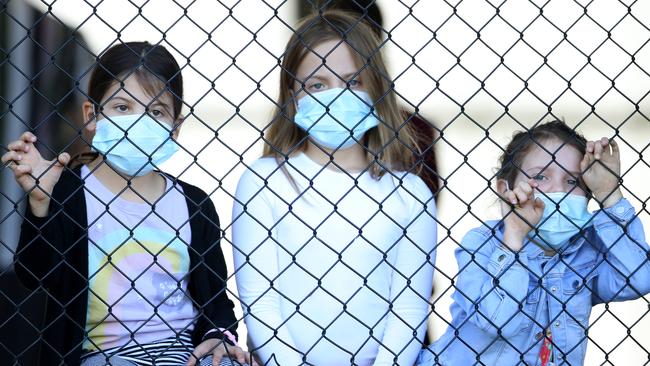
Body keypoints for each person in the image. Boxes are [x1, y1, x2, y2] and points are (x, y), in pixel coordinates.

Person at [4, 41, 255, 366]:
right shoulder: (67, 192)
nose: (138, 122)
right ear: (92, 116)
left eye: (156, 112)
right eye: (123, 107)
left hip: (184, 353)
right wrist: (40, 202)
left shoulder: (194, 205)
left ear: (175, 127)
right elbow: (34, 277)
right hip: (103, 356)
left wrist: (219, 335)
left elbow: (216, 298)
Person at [231, 10, 437, 366]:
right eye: (318, 85)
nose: (336, 96)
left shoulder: (410, 194)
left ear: (376, 89)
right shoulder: (264, 182)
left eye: (353, 81)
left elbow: (409, 306)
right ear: (293, 96)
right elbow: (262, 302)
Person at [417, 120, 650, 365]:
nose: (558, 191)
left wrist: (610, 195)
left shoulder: (585, 251)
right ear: (505, 188)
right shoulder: (481, 244)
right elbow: (498, 322)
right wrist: (514, 238)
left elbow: (639, 278)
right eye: (541, 176)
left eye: (572, 182)